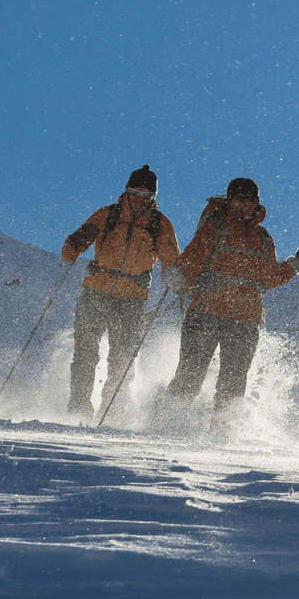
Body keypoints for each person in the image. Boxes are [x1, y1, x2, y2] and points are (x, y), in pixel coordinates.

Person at [164, 176, 299, 413]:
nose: (247, 204)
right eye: (241, 199)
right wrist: (179, 275)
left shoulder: (264, 238)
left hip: (246, 319)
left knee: (233, 385)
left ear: (258, 202)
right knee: (189, 376)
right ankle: (166, 423)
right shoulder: (215, 227)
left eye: (252, 200)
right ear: (230, 199)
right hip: (206, 312)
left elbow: (268, 278)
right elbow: (192, 261)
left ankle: (224, 435)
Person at [61, 164, 182, 419]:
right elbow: (70, 249)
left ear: (153, 198)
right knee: (85, 352)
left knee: (122, 358)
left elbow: (171, 257)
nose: (139, 199)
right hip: (96, 291)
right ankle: (79, 408)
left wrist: (173, 274)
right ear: (126, 191)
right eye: (134, 192)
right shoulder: (108, 214)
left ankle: (114, 409)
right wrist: (75, 244)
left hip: (132, 298)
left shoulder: (160, 224)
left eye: (145, 195)